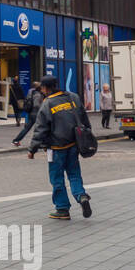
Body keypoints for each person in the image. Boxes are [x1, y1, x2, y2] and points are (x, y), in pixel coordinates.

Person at [27, 74, 93, 220]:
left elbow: (40, 129)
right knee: (74, 175)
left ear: (44, 88)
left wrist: (32, 149)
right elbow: (84, 119)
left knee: (57, 178)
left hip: (56, 148)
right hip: (74, 145)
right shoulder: (73, 97)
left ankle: (62, 208)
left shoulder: (47, 103)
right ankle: (81, 196)